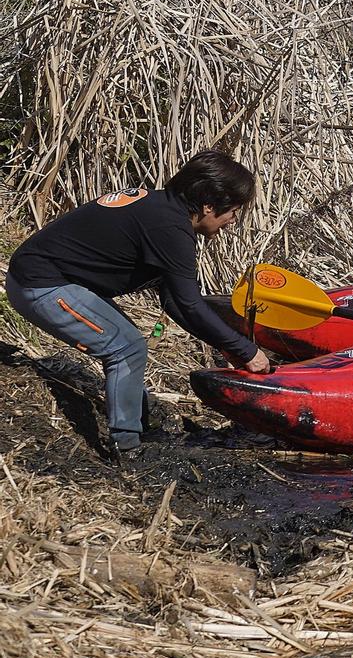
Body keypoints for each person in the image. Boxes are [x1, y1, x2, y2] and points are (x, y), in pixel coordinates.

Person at [4, 150, 273, 460]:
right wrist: (246, 350)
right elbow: (189, 303)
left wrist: (228, 344)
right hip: (39, 284)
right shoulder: (169, 228)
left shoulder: (164, 210)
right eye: (233, 212)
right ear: (209, 204)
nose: (232, 221)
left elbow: (175, 302)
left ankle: (141, 428)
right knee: (125, 347)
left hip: (56, 280)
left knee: (128, 340)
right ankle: (127, 446)